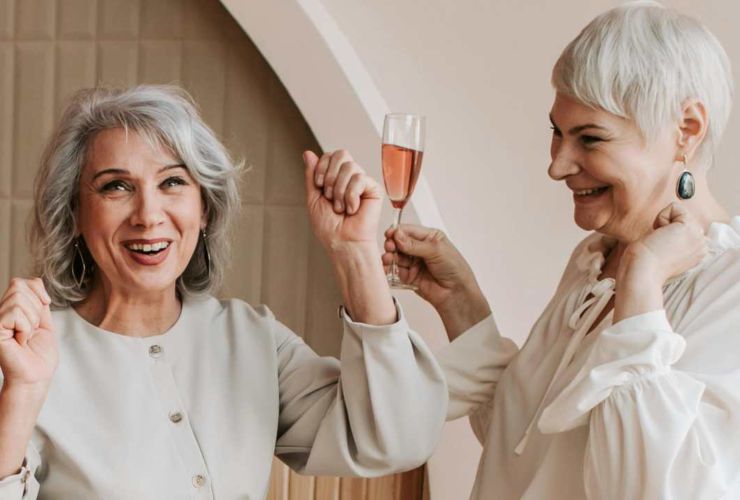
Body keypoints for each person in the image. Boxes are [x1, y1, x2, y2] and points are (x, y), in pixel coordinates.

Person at [0, 86, 447, 499]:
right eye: (116, 186)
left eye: (172, 182)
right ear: (74, 214)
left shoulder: (252, 337)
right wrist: (21, 392)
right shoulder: (29, 356)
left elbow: (398, 440)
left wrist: (354, 252)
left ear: (206, 209)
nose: (148, 215)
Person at [380, 2, 740, 498]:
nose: (557, 166)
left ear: (688, 129)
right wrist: (459, 301)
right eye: (557, 132)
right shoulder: (593, 259)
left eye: (590, 139)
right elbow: (520, 446)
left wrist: (641, 285)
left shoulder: (728, 290)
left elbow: (647, 488)